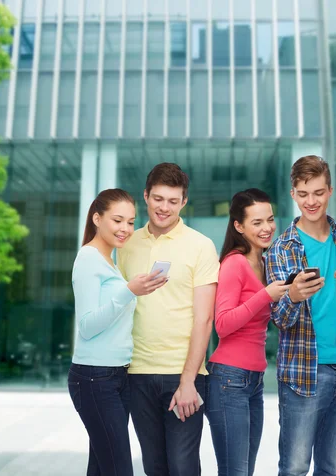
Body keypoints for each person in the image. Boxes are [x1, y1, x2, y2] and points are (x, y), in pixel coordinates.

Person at [117, 163, 219, 476]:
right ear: (145, 196)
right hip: (137, 373)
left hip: (183, 375)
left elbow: (204, 319)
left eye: (173, 201)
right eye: (158, 199)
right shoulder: (126, 244)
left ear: (184, 202)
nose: (164, 207)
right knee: (154, 467)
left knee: (184, 467)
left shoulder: (201, 246)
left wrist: (189, 380)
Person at [266, 155, 336, 476]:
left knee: (331, 467)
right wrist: (292, 296)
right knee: (294, 468)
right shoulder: (281, 248)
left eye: (318, 193)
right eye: (303, 194)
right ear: (293, 193)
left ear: (330, 191)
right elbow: (281, 319)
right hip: (303, 374)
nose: (311, 201)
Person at [68, 188, 167, 476]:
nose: (125, 229)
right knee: (119, 468)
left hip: (117, 376)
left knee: (102, 467)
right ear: (97, 218)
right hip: (94, 377)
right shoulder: (88, 258)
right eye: (118, 220)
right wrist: (128, 291)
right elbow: (86, 326)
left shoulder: (110, 261)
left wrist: (135, 290)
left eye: (131, 222)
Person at [206, 189, 291, 476]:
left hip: (253, 381)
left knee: (245, 471)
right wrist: (265, 294)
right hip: (229, 379)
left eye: (269, 219)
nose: (267, 228)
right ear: (239, 226)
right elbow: (223, 324)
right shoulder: (234, 263)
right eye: (257, 222)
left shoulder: (267, 264)